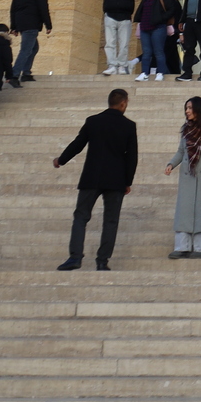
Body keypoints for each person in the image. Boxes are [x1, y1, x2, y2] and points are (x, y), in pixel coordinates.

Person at [53, 88, 137, 270]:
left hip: (92, 176)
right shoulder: (129, 126)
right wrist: (127, 182)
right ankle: (102, 261)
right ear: (123, 103)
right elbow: (132, 157)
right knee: (111, 221)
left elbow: (78, 144)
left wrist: (61, 159)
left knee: (81, 217)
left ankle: (75, 257)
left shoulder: (93, 121)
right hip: (116, 180)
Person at [162, 95, 201, 258]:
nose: (187, 111)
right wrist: (171, 164)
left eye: (190, 108)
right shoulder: (186, 128)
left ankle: (200, 248)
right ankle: (182, 246)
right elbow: (181, 151)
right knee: (185, 210)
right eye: (186, 108)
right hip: (188, 175)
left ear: (198, 109)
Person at [90, 0, 144, 76]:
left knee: (123, 43)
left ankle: (122, 65)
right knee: (110, 42)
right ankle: (112, 65)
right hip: (110, 15)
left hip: (125, 16)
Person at [8, 0, 51, 86]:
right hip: (31, 23)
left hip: (22, 23)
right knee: (26, 49)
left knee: (33, 48)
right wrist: (48, 24)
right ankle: (14, 75)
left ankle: (26, 72)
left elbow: (13, 8)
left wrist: (14, 26)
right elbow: (43, 7)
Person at [134, 0, 180, 80]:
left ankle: (160, 73)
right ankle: (144, 73)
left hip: (158, 27)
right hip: (145, 27)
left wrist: (160, 19)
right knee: (146, 52)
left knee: (158, 51)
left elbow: (171, 10)